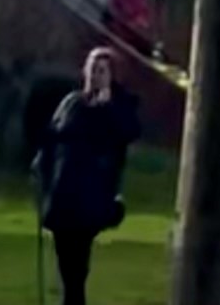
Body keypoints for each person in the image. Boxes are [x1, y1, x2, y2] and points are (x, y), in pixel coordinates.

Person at [36, 45, 145, 305]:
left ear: (111, 75)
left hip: (91, 197)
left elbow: (127, 133)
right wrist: (41, 169)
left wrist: (107, 106)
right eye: (92, 70)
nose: (95, 75)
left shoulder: (120, 108)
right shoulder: (72, 103)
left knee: (77, 265)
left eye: (101, 71)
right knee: (66, 264)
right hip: (64, 192)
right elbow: (53, 137)